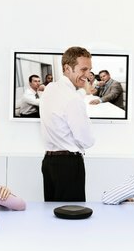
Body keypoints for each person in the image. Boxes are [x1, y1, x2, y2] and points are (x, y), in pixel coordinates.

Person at [40, 46, 95, 202]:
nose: (88, 75)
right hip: (69, 165)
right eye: (83, 69)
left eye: (89, 70)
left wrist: (84, 90)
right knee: (72, 220)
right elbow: (86, 140)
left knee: (53, 216)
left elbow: (72, 95)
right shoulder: (73, 99)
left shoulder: (50, 89)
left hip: (49, 163)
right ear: (67, 68)